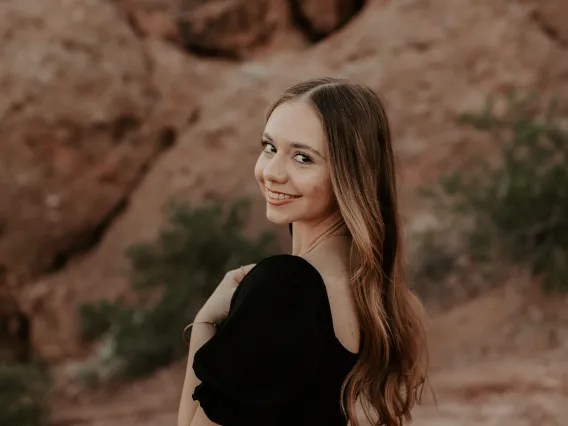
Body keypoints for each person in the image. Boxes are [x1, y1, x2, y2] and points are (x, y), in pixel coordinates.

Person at [177, 77, 429, 426]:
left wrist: (205, 323)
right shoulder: (376, 292)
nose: (272, 172)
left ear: (348, 174)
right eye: (269, 147)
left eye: (302, 157)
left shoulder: (284, 287)